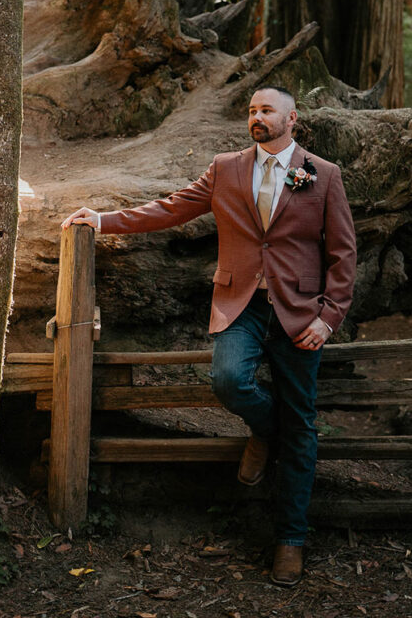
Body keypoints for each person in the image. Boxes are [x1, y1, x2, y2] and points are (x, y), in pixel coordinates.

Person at [62, 85, 356, 586]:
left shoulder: (322, 174)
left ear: (292, 119)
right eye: (251, 110)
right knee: (228, 381)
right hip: (240, 303)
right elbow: (173, 207)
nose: (256, 117)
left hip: (299, 312)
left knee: (302, 423)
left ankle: (290, 540)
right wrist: (105, 220)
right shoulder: (227, 168)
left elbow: (343, 254)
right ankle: (266, 430)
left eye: (266, 110)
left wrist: (328, 318)